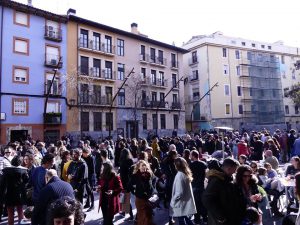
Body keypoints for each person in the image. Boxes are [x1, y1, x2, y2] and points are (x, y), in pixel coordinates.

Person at [202, 157, 242, 225]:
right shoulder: (216, 180)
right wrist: (220, 217)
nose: (235, 172)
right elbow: (207, 199)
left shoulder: (227, 179)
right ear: (228, 168)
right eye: (234, 170)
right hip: (219, 221)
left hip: (228, 218)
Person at [0, 155, 29, 225]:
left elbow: (2, 183)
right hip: (19, 194)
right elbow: (26, 180)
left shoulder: (6, 170)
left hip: (9, 194)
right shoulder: (24, 170)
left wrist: (2, 195)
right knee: (20, 212)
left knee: (10, 214)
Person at [170, 157, 196, 225]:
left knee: (182, 220)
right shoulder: (185, 173)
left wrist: (173, 201)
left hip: (180, 203)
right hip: (184, 202)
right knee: (186, 219)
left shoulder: (180, 175)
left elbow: (179, 193)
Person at [129, 160, 155, 225]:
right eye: (142, 166)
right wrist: (135, 192)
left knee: (148, 216)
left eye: (145, 165)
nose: (144, 167)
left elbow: (154, 181)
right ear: (139, 167)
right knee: (142, 217)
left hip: (148, 199)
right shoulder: (135, 175)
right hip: (140, 199)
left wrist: (152, 190)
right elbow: (130, 185)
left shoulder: (150, 174)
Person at [189, 150, 207, 224]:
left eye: (191, 155)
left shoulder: (191, 165)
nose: (190, 156)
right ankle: (205, 219)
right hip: (202, 186)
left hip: (194, 187)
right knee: (203, 204)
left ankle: (197, 220)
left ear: (193, 156)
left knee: (196, 204)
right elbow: (206, 175)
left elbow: (189, 176)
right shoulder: (203, 164)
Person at [82, 147, 95, 211]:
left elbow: (92, 169)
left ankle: (92, 205)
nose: (84, 155)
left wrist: (91, 178)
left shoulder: (91, 158)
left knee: (91, 191)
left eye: (84, 154)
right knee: (87, 190)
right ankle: (87, 203)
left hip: (90, 177)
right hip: (85, 176)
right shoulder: (83, 157)